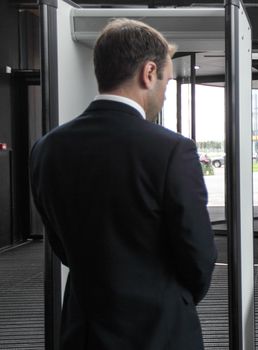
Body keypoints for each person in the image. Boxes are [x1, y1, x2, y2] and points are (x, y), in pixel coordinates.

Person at [30, 19, 217, 350]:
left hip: (82, 330)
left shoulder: (47, 148)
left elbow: (61, 245)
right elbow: (198, 255)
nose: (164, 92)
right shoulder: (172, 150)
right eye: (166, 81)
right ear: (148, 73)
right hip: (158, 331)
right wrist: (173, 298)